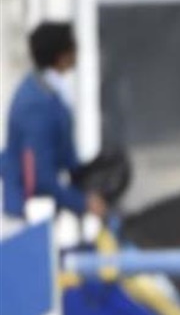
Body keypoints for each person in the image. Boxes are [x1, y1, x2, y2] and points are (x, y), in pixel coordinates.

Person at [2, 21, 106, 236]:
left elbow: (65, 158)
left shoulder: (48, 91)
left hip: (37, 212)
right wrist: (83, 202)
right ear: (62, 56)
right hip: (23, 218)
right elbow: (40, 175)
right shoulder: (37, 102)